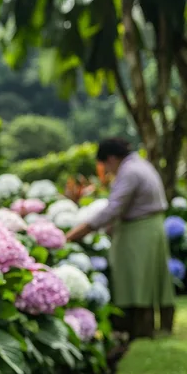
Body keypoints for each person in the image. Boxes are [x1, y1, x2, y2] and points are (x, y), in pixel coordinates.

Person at [66, 138, 174, 338]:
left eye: (105, 165)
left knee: (135, 278)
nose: (107, 171)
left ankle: (138, 330)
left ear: (112, 158)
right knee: (150, 278)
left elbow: (114, 208)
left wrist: (76, 233)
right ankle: (155, 328)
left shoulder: (130, 171)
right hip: (150, 227)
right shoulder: (140, 165)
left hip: (140, 230)